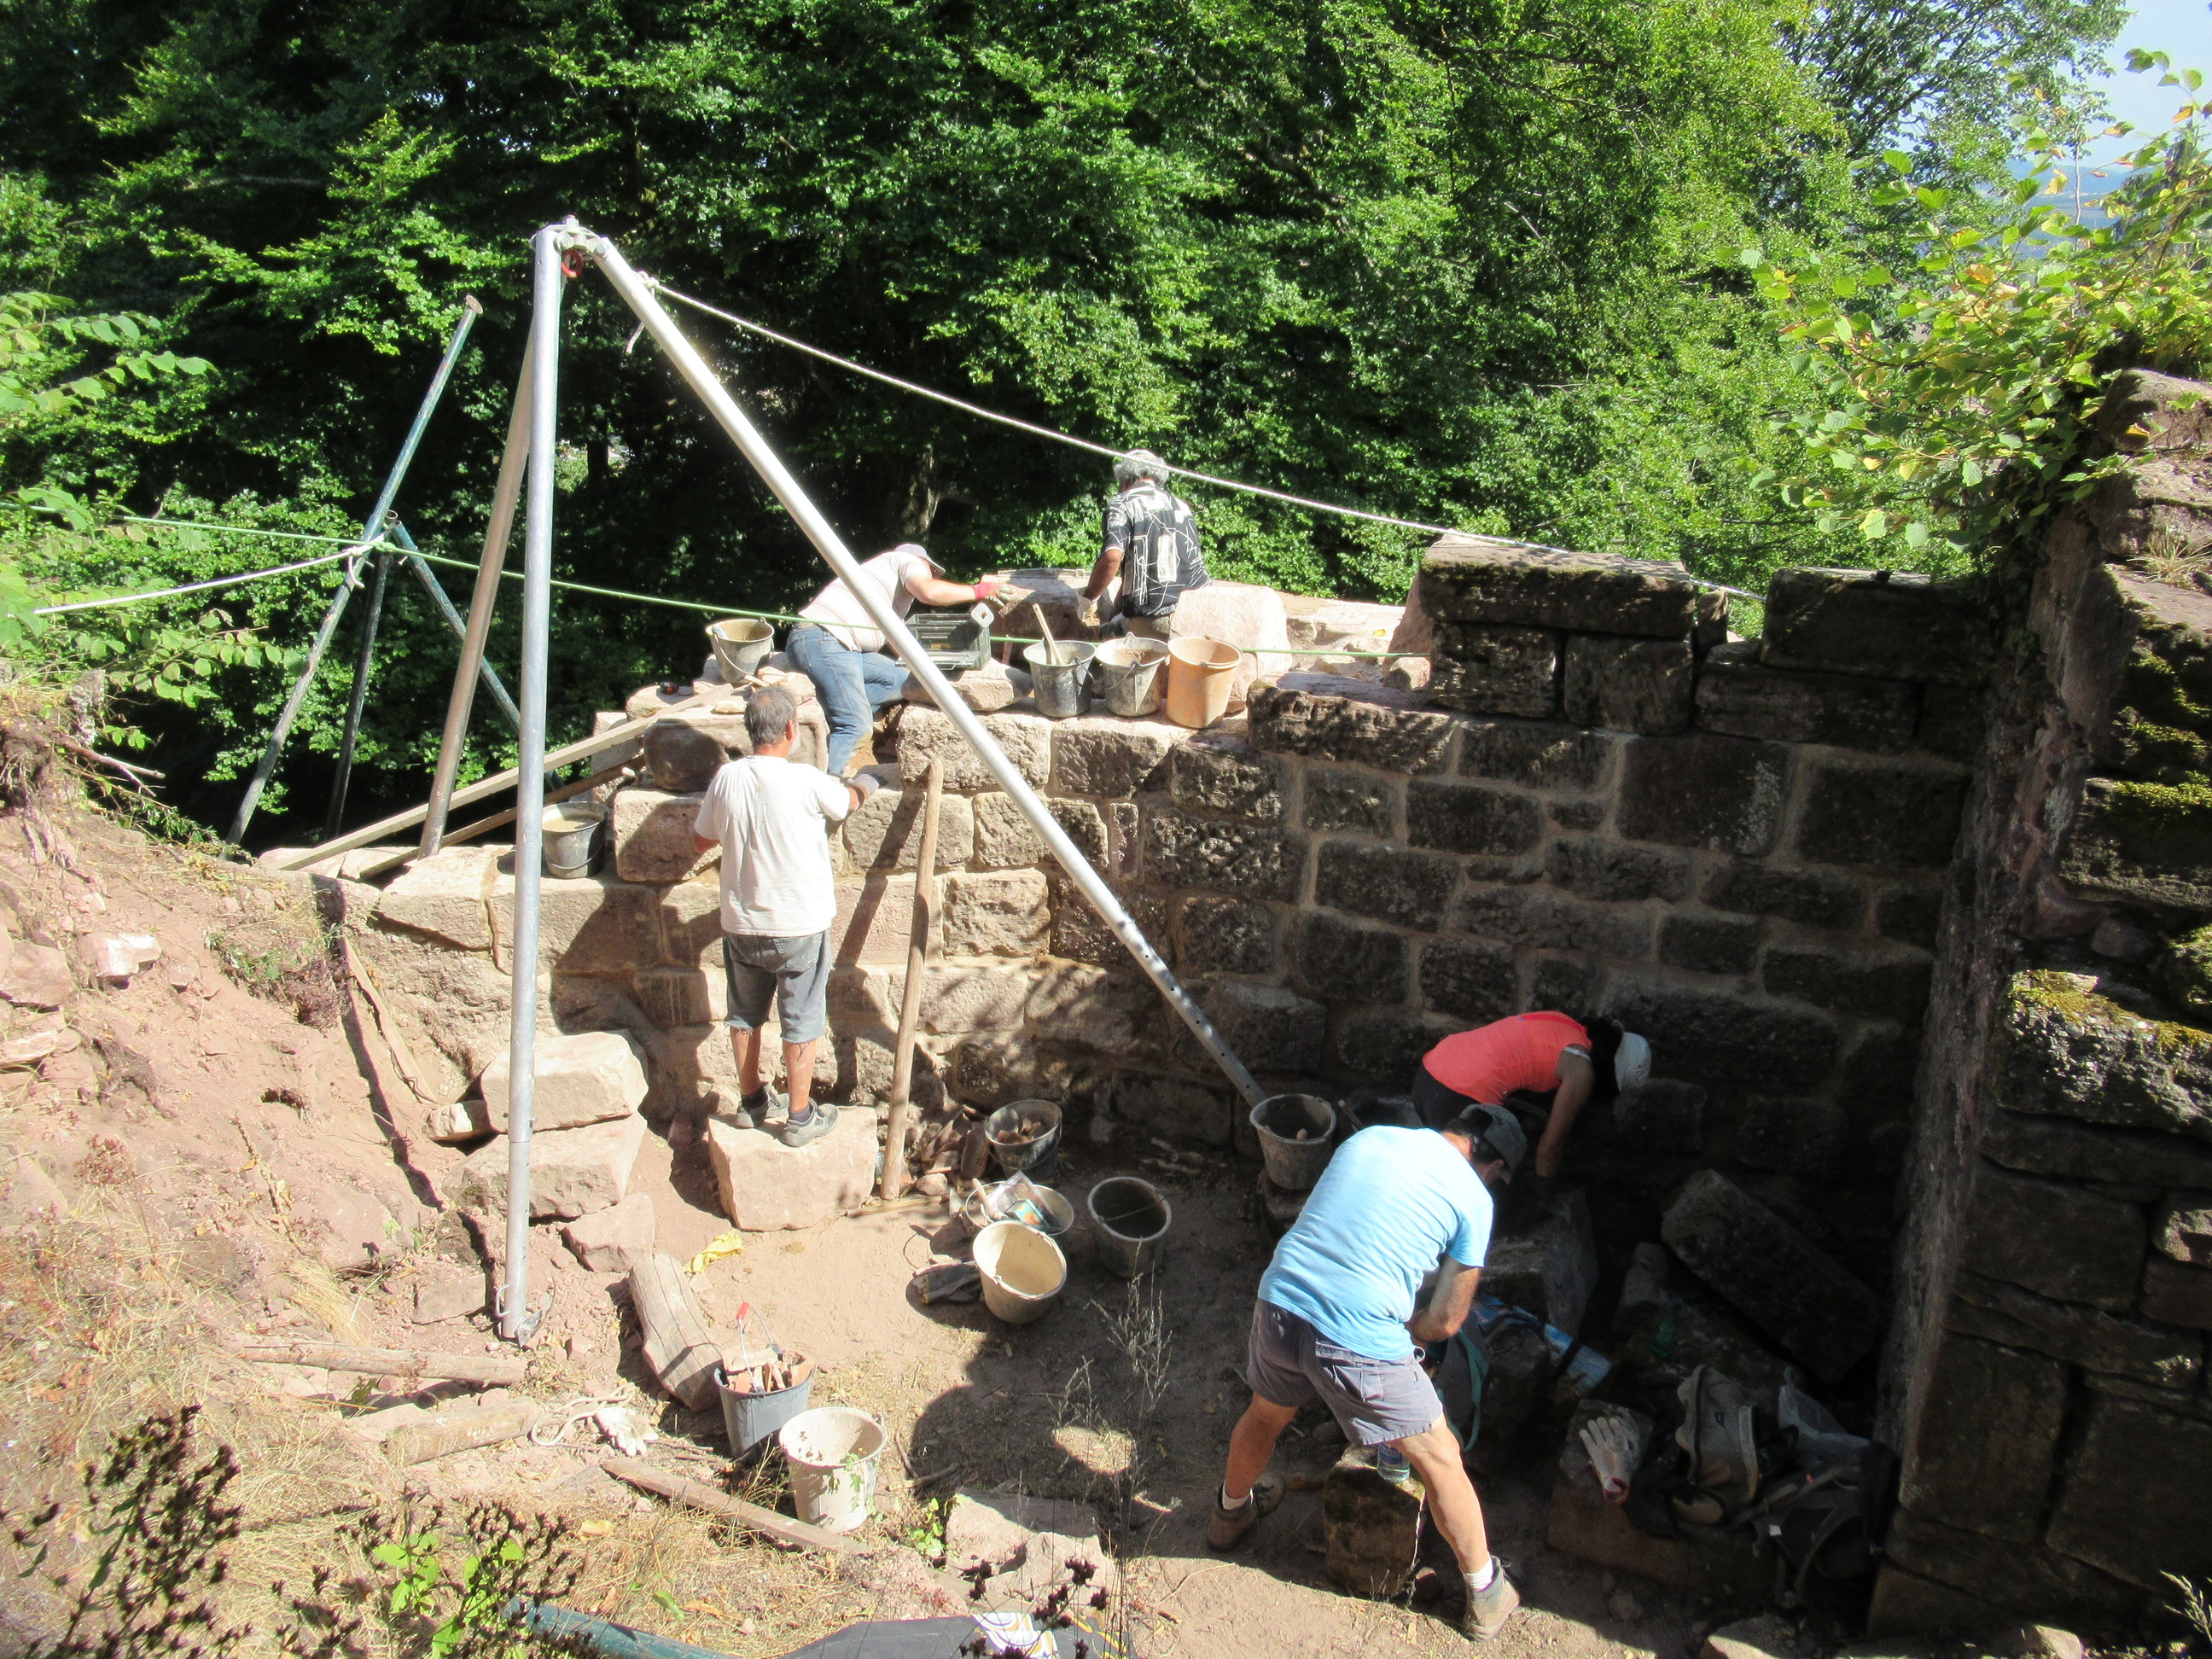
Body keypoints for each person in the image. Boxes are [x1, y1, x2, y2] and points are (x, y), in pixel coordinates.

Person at [1209, 1103, 1526, 1640]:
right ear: (1493, 1166)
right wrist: (1409, 1334)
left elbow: (1346, 1229)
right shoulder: (1475, 1199)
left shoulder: (1373, 1138)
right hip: (1353, 1334)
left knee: (1264, 1416)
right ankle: (1487, 1592)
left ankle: (1228, 1515)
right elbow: (1447, 1320)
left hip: (1281, 1298)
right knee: (1441, 1458)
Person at [690, 685, 881, 1149]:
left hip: (742, 923)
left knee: (744, 1015)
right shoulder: (805, 779)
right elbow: (846, 804)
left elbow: (701, 839)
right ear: (791, 730)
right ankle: (798, 1117)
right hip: (798, 925)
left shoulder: (726, 778)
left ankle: (752, 1102)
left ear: (750, 731)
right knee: (801, 1020)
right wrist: (868, 782)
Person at [786, 542, 1001, 775]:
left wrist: (930, 672)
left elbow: (900, 645)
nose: (929, 575)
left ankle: (838, 710)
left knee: (902, 679)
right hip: (825, 640)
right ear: (923, 564)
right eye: (929, 571)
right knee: (856, 726)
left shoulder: (883, 592)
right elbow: (929, 592)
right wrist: (980, 590)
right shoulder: (906, 560)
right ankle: (826, 787)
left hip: (834, 645)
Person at [1413, 1013, 1650, 1179]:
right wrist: (1546, 1190)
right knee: (1485, 1187)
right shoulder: (1582, 1072)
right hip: (1460, 1093)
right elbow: (1549, 1150)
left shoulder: (1565, 1024)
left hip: (1429, 1072)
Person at [1083, 451, 1207, 639]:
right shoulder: (1182, 506)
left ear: (1124, 481)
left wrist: (1088, 598)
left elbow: (1112, 557)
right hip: (1194, 613)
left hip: (1154, 618)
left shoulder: (1122, 503)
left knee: (1099, 637)